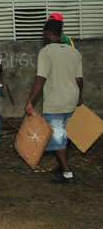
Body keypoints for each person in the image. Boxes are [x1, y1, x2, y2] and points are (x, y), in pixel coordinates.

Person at [25, 19, 83, 184]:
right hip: (71, 100)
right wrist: (80, 97)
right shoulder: (75, 52)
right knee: (64, 135)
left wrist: (30, 100)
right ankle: (62, 165)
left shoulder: (46, 52)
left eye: (44, 33)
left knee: (57, 139)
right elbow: (79, 80)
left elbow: (40, 79)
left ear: (48, 33)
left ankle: (67, 174)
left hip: (55, 103)